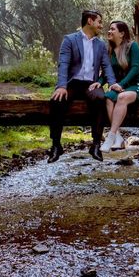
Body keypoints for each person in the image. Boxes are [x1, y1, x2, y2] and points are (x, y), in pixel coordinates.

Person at [48, 10, 117, 163]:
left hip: (90, 84)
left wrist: (112, 84)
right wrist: (61, 86)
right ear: (90, 21)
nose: (101, 25)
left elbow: (106, 67)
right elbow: (63, 64)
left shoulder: (101, 44)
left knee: (101, 99)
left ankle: (96, 144)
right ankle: (55, 145)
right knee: (56, 101)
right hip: (72, 83)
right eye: (99, 22)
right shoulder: (69, 40)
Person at [99, 21, 139, 153]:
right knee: (108, 98)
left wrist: (120, 84)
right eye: (109, 29)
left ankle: (110, 137)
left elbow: (135, 69)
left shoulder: (132, 46)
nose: (109, 31)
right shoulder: (109, 50)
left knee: (121, 97)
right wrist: (99, 82)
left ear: (122, 33)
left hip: (137, 85)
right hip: (121, 88)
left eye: (112, 29)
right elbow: (106, 73)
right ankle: (118, 137)